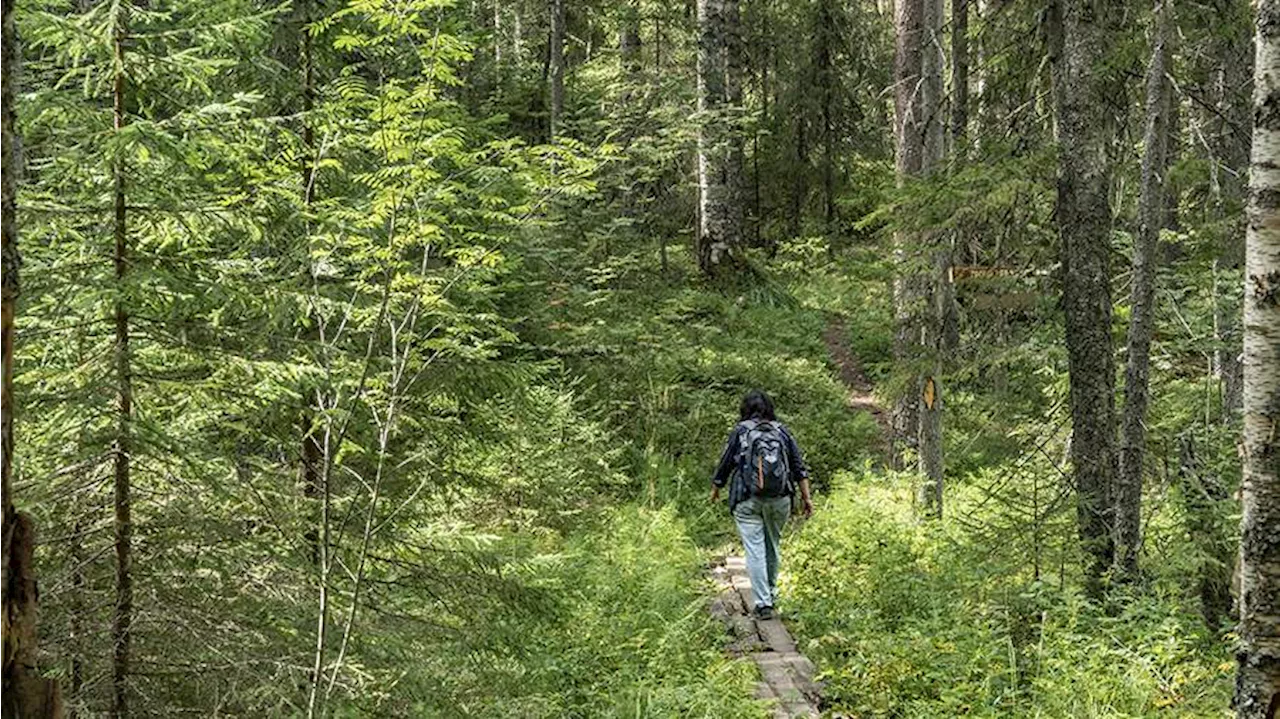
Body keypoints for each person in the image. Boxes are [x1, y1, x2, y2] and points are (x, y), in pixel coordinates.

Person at [711, 389, 813, 620]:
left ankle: (763, 603)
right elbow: (798, 468)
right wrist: (807, 499)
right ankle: (772, 595)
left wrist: (717, 486)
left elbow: (726, 462)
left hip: (747, 498)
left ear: (745, 409)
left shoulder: (741, 431)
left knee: (754, 548)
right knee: (772, 545)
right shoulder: (782, 431)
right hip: (780, 498)